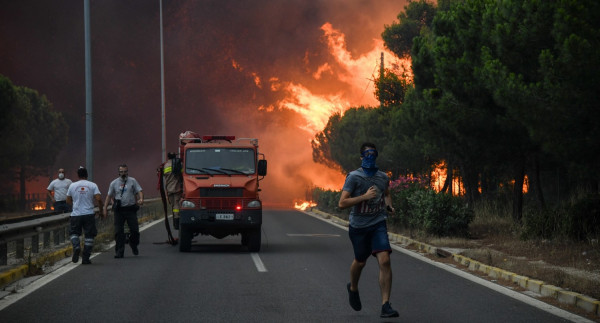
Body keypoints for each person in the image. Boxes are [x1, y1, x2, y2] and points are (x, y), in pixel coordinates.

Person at [338, 142, 399, 318]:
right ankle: (353, 287)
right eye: (367, 154)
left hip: (378, 223)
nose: (371, 157)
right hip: (358, 226)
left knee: (385, 260)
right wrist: (364, 197)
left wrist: (389, 207)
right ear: (361, 157)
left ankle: (385, 305)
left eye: (374, 154)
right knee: (361, 261)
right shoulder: (354, 177)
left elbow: (386, 193)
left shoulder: (382, 177)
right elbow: (342, 203)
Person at [103, 164, 144, 258]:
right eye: (121, 172)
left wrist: (141, 199)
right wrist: (105, 208)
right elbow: (109, 196)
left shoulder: (133, 181)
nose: (123, 173)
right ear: (118, 172)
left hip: (130, 209)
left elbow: (139, 191)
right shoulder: (113, 183)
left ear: (127, 171)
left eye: (125, 171)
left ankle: (133, 243)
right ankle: (119, 252)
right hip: (119, 211)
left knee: (135, 230)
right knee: (118, 232)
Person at [66, 167, 103, 265]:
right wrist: (101, 211)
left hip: (76, 214)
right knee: (89, 236)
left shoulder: (72, 185)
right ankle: (86, 258)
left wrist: (75, 204)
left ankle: (76, 246)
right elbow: (99, 199)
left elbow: (68, 200)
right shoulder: (92, 185)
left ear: (78, 175)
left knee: (74, 233)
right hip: (89, 214)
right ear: (87, 175)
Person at [163, 152, 182, 229]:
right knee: (177, 206)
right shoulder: (178, 165)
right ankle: (177, 222)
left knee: (173, 206)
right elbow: (183, 174)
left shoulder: (165, 166)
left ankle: (175, 221)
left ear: (168, 157)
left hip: (169, 189)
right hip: (177, 189)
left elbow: (165, 177)